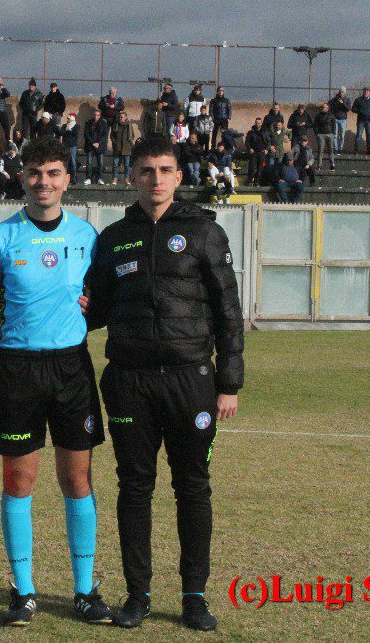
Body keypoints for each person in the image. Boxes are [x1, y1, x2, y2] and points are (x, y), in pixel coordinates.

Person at [84, 133, 243, 632]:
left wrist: (229, 383)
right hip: (129, 381)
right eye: (147, 171)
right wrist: (80, 306)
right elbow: (99, 310)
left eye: (165, 170)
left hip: (190, 379)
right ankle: (138, 595)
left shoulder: (204, 232)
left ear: (178, 176)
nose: (156, 179)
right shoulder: (113, 237)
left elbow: (228, 312)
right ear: (132, 177)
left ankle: (194, 596)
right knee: (134, 487)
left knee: (192, 486)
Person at [0, 136, 115, 627]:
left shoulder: (87, 235)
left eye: (53, 173)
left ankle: (85, 591)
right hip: (18, 370)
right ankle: (23, 591)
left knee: (77, 480)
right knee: (20, 480)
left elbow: (101, 297)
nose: (43, 182)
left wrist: (97, 307)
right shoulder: (0, 239)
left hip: (72, 368)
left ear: (67, 180)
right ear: (22, 178)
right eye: (35, 173)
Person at [110, 111, 138, 185]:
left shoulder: (129, 125)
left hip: (126, 148)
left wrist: (129, 143)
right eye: (119, 117)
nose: (120, 118)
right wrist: (115, 143)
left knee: (126, 164)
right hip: (117, 148)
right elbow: (112, 135)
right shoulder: (116, 125)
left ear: (125, 118)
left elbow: (132, 135)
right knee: (115, 164)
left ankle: (127, 179)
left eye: (122, 117)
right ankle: (114, 178)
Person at [83, 109, 108, 185]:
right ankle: (88, 178)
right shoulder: (88, 123)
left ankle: (100, 178)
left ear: (100, 116)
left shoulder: (104, 123)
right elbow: (86, 134)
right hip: (90, 146)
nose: (96, 116)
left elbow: (104, 135)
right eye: (95, 115)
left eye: (97, 115)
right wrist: (92, 143)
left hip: (100, 146)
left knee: (100, 163)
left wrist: (98, 143)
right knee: (89, 163)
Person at [351, 88, 370, 154]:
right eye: (364, 92)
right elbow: (353, 109)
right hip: (361, 120)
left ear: (369, 92)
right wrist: (360, 111)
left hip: (369, 120)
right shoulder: (358, 100)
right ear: (363, 92)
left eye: (367, 92)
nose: (366, 93)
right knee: (359, 135)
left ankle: (369, 151)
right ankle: (356, 150)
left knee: (369, 135)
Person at [245, 117, 269, 185]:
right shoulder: (251, 132)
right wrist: (250, 148)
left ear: (261, 124)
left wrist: (267, 149)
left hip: (262, 153)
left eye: (258, 123)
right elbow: (247, 142)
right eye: (256, 123)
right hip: (254, 153)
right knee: (252, 168)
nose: (257, 124)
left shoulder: (265, 132)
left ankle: (256, 182)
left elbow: (268, 142)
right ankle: (250, 181)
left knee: (260, 169)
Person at [313, 103, 335, 170]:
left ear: (327, 108)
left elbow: (334, 125)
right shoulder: (318, 115)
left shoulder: (331, 115)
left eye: (324, 107)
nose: (322, 108)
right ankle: (319, 165)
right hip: (321, 135)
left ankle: (332, 164)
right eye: (322, 107)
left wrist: (333, 133)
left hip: (329, 134)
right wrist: (317, 133)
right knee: (320, 150)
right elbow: (315, 125)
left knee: (331, 150)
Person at [329, 87, 350, 152]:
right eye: (341, 91)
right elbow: (330, 107)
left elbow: (348, 109)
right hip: (335, 119)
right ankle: (335, 149)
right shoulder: (334, 99)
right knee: (335, 135)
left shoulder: (347, 99)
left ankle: (340, 149)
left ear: (345, 92)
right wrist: (332, 115)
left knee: (342, 135)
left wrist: (342, 103)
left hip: (343, 119)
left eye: (343, 92)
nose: (341, 93)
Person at [60, 113, 79, 184]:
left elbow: (75, 134)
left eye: (69, 119)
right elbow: (61, 133)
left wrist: (69, 131)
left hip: (72, 146)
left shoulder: (76, 126)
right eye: (67, 118)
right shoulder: (64, 126)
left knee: (73, 163)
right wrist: (67, 131)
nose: (67, 120)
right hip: (65, 146)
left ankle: (73, 178)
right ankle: (64, 178)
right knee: (65, 163)